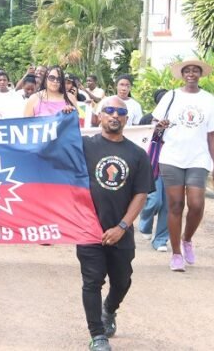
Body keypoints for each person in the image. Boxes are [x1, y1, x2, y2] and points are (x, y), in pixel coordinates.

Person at [78, 96, 152, 351]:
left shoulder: (137, 154)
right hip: (88, 229)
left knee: (122, 281)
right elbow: (52, 145)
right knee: (92, 281)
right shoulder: (83, 147)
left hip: (121, 230)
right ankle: (97, 334)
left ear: (126, 118)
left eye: (120, 112)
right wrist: (64, 116)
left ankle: (109, 309)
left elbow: (141, 194)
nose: (114, 115)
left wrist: (122, 226)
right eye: (108, 110)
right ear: (99, 116)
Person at [154, 57, 214, 272]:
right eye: (187, 71)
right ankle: (175, 254)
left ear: (200, 75)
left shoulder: (208, 99)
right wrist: (161, 126)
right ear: (182, 75)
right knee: (175, 205)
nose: (191, 74)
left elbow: (212, 135)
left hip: (198, 159)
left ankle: (187, 239)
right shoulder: (170, 96)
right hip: (172, 157)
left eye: (195, 71)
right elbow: (156, 126)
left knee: (196, 204)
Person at [138, 89, 170, 252]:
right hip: (153, 163)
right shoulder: (148, 118)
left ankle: (161, 239)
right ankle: (145, 222)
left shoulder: (179, 119)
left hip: (173, 164)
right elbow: (141, 139)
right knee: (155, 200)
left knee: (169, 205)